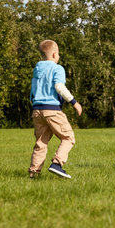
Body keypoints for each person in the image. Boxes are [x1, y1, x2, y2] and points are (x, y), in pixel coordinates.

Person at [28, 40, 82, 179]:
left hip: (37, 110)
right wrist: (74, 102)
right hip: (52, 109)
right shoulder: (57, 68)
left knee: (41, 142)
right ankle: (57, 164)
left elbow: (33, 90)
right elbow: (59, 87)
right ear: (54, 54)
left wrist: (34, 103)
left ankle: (34, 174)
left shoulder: (37, 69)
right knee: (68, 137)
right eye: (58, 54)